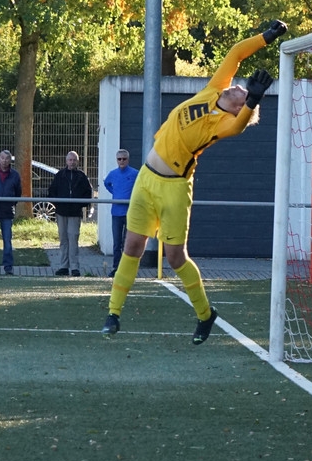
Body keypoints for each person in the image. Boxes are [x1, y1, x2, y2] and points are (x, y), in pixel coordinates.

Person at [101, 20, 287, 342]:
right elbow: (236, 54)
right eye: (240, 88)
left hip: (174, 189)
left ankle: (205, 314)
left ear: (239, 107)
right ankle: (113, 314)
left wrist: (253, 101)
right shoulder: (214, 90)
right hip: (146, 179)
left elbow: (239, 126)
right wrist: (266, 37)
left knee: (175, 257)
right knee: (131, 246)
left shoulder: (224, 123)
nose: (236, 86)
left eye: (241, 92)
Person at [48, 151, 93, 277]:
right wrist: (58, 204)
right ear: (66, 161)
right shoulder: (60, 175)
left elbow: (88, 194)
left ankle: (74, 267)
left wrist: (79, 205)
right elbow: (52, 191)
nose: (72, 162)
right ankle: (63, 266)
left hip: (75, 214)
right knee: (63, 239)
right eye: (70, 160)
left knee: (73, 239)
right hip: (61, 213)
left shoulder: (82, 177)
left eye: (74, 160)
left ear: (77, 161)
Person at [102, 148, 137, 276]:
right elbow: (106, 183)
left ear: (128, 160)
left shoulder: (135, 173)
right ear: (116, 160)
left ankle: (127, 269)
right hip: (116, 213)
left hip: (130, 213)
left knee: (128, 243)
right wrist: (115, 193)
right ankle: (116, 268)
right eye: (119, 159)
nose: (121, 161)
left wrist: (133, 197)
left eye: (124, 159)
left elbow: (141, 186)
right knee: (117, 243)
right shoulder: (113, 174)